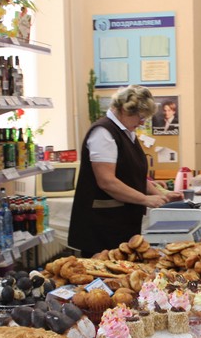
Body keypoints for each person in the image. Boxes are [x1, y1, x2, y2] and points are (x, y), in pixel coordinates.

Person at [69, 85, 182, 257]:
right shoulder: (103, 133)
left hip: (123, 223)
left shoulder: (126, 132)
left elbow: (132, 176)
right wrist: (146, 199)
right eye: (140, 117)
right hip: (103, 227)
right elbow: (107, 181)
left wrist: (162, 195)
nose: (143, 122)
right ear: (125, 110)